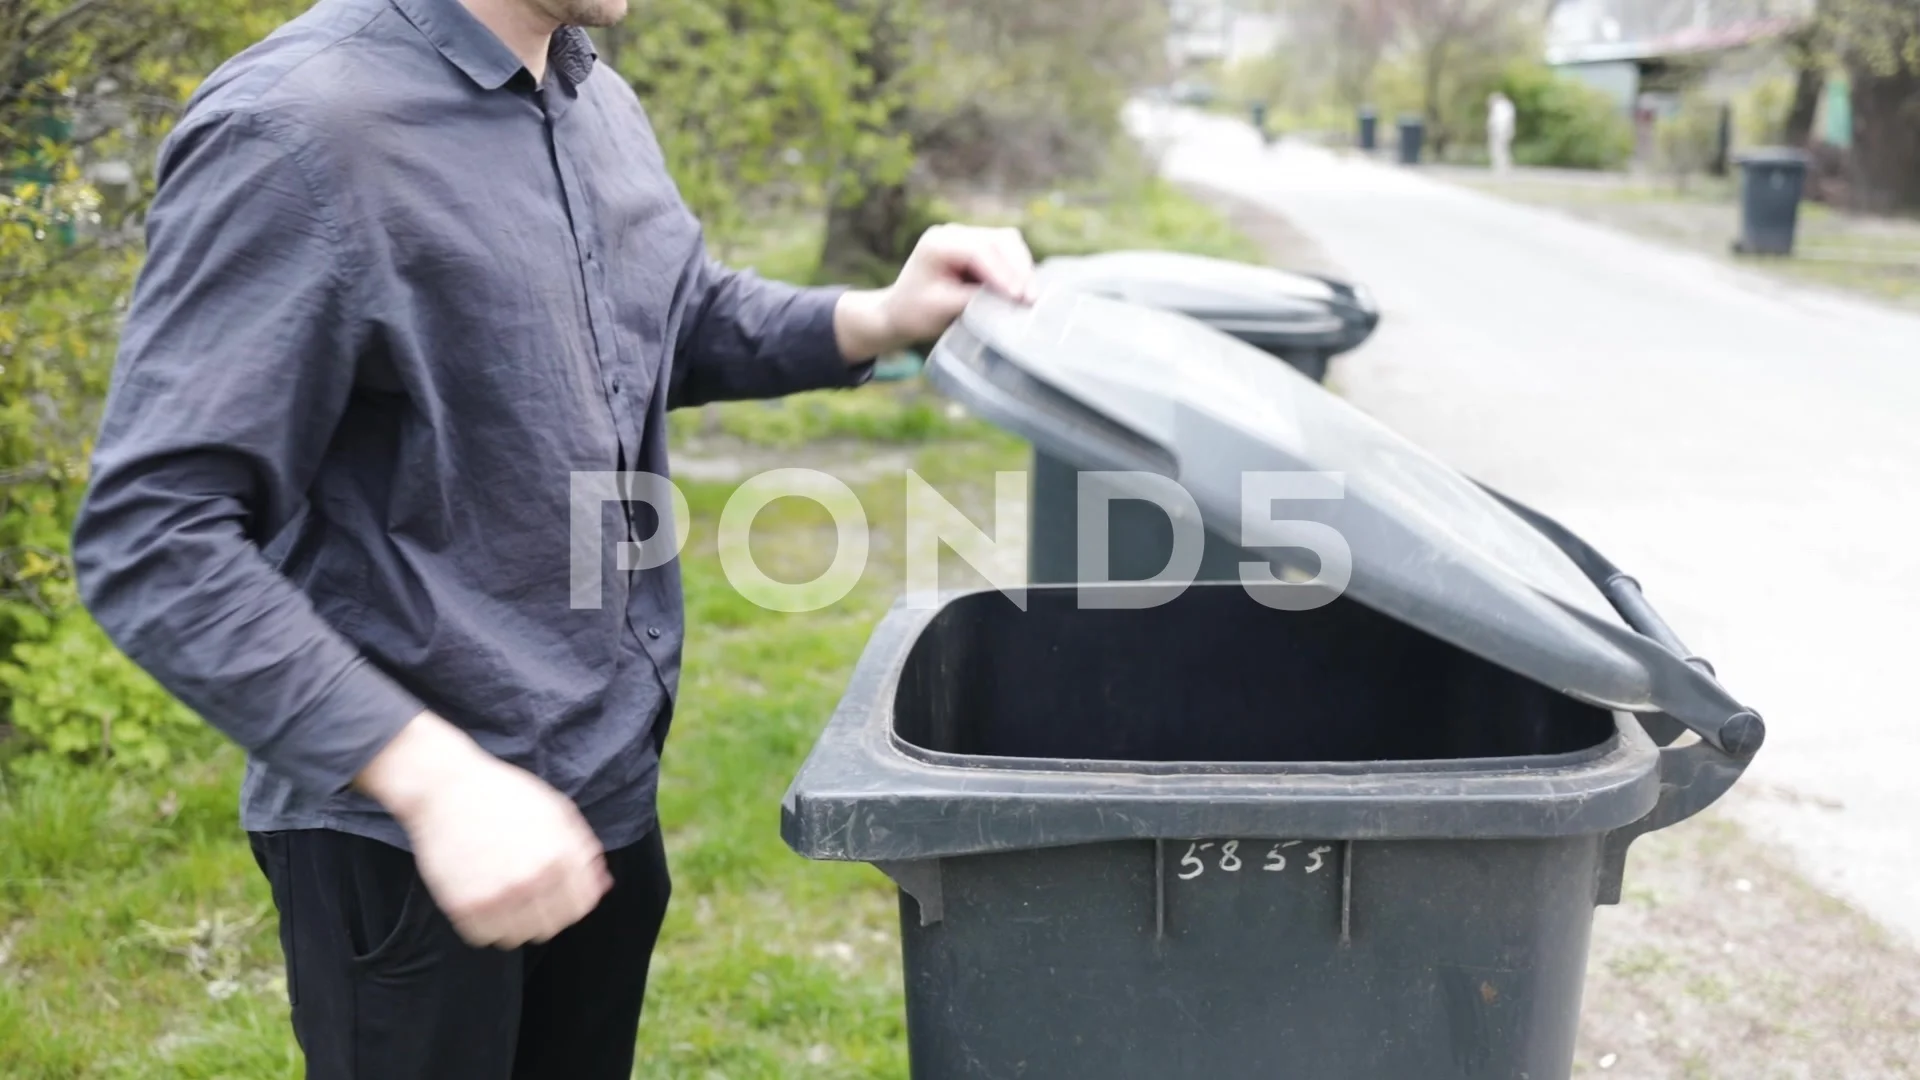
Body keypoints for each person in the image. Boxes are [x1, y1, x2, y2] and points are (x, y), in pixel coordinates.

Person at [68, 0, 1036, 1077]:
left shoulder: (595, 98)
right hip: (413, 848)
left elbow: (672, 319)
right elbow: (154, 534)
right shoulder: (298, 130)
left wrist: (878, 317)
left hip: (603, 793)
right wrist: (436, 783)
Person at [1488, 91, 1517, 174]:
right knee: (1498, 149)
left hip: (1501, 131)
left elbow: (1503, 121)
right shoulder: (1499, 107)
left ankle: (1504, 166)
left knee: (1502, 149)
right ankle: (1499, 165)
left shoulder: (1503, 107)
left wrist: (1503, 131)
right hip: (1498, 131)